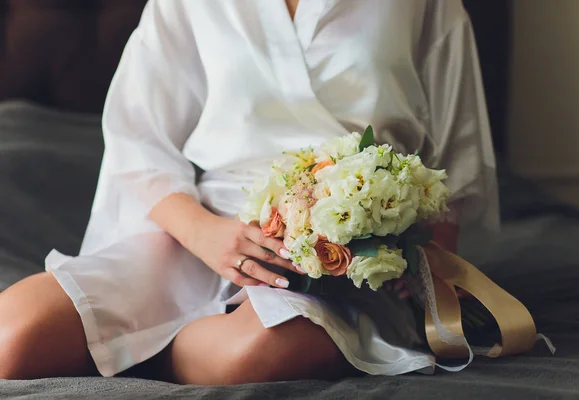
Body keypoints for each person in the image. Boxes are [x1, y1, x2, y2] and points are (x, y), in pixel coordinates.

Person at [0, 0, 498, 384]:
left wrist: (424, 276)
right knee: (14, 336)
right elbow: (139, 140)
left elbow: (456, 156)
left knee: (251, 356)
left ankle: (143, 348)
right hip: (204, 228)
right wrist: (207, 236)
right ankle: (145, 337)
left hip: (351, 255)